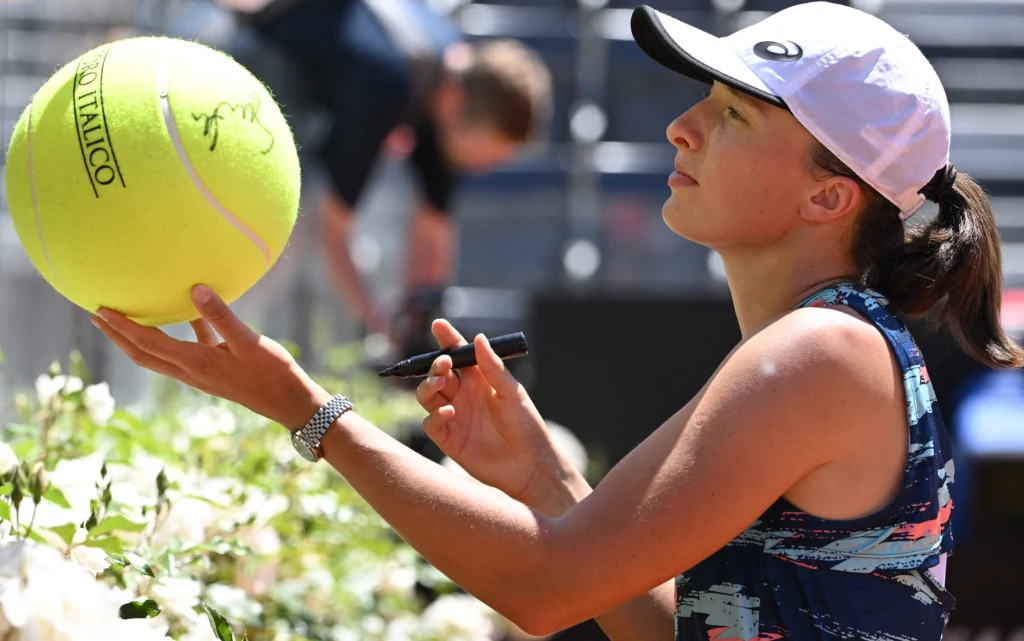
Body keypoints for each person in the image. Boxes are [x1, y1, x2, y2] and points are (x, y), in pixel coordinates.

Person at [92, 3, 1024, 639]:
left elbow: (544, 589)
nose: (683, 127)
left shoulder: (819, 352)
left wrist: (308, 412)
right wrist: (545, 476)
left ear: (829, 196)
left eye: (734, 115)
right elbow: (668, 623)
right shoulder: (829, 343)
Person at [218, 0, 553, 336]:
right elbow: (331, 228)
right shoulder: (385, 84)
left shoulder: (449, 83)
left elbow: (434, 233)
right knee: (283, 225)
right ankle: (211, 339)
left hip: (304, 83)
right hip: (251, 67)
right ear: (453, 102)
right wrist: (379, 328)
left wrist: (421, 325)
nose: (483, 170)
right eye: (486, 155)